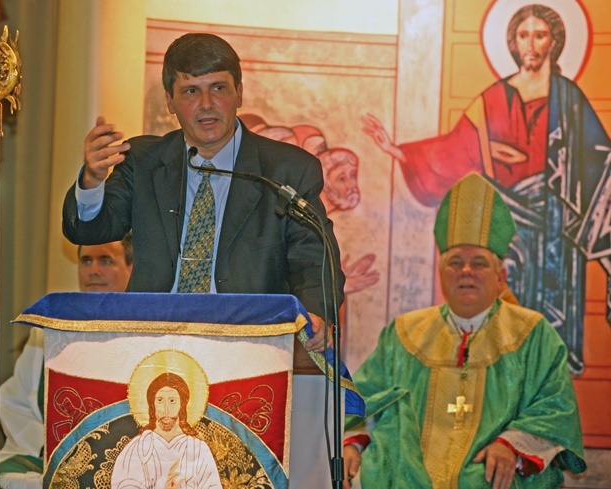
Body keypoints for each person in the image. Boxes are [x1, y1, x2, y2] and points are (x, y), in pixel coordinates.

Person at [61, 33, 347, 488]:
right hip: (153, 350)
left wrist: (318, 307)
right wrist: (93, 180)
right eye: (191, 91)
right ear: (171, 101)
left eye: (219, 88)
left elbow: (315, 254)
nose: (207, 104)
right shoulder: (145, 160)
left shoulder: (287, 169)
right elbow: (92, 229)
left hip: (247, 352)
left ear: (239, 92)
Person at [363, 4, 611, 374]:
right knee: (504, 317)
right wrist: (397, 151)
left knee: (551, 325)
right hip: (508, 222)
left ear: (554, 42)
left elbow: (599, 161)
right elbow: (454, 151)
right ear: (512, 41)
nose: (531, 44)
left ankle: (550, 376)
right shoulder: (493, 97)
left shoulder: (569, 97)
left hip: (557, 223)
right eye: (523, 35)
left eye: (540, 35)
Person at [343, 172, 586, 489]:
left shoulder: (533, 334)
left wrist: (511, 445)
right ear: (441, 273)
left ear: (501, 275)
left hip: (491, 474)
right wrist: (353, 442)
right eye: (455, 262)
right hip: (406, 470)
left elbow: (554, 407)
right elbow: (361, 398)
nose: (466, 271)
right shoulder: (404, 332)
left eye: (479, 263)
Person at [0, 235, 133, 489]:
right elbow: (14, 400)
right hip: (43, 457)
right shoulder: (50, 331)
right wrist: (48, 447)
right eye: (86, 261)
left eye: (106, 260)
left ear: (131, 267)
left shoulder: (144, 335)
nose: (93, 271)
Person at [111, 373, 222, 489]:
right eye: (159, 400)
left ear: (182, 405)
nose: (166, 409)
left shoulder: (198, 449)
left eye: (172, 401)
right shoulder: (137, 448)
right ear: (152, 405)